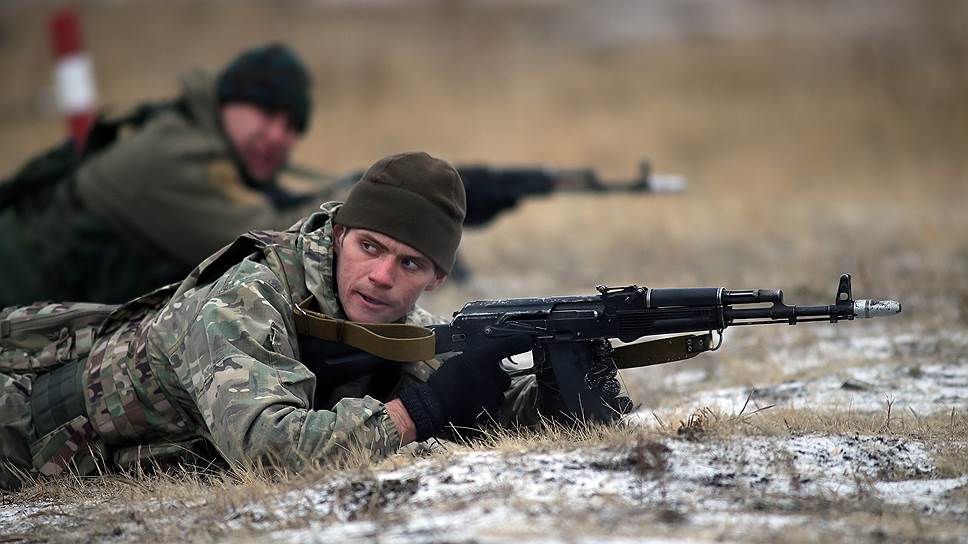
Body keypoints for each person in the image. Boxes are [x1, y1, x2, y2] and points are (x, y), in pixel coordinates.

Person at [0, 151, 627, 491]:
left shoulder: (391, 320)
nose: (382, 276)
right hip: (20, 436)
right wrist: (417, 415)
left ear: (436, 278)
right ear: (340, 233)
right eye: (371, 248)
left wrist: (558, 387)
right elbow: (266, 451)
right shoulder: (243, 298)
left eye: (409, 263)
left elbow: (467, 400)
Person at [0, 43, 331, 306]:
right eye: (267, 112)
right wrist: (356, 197)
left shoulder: (192, 133)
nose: (276, 136)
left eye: (291, 127)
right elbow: (268, 242)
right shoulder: (180, 157)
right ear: (227, 102)